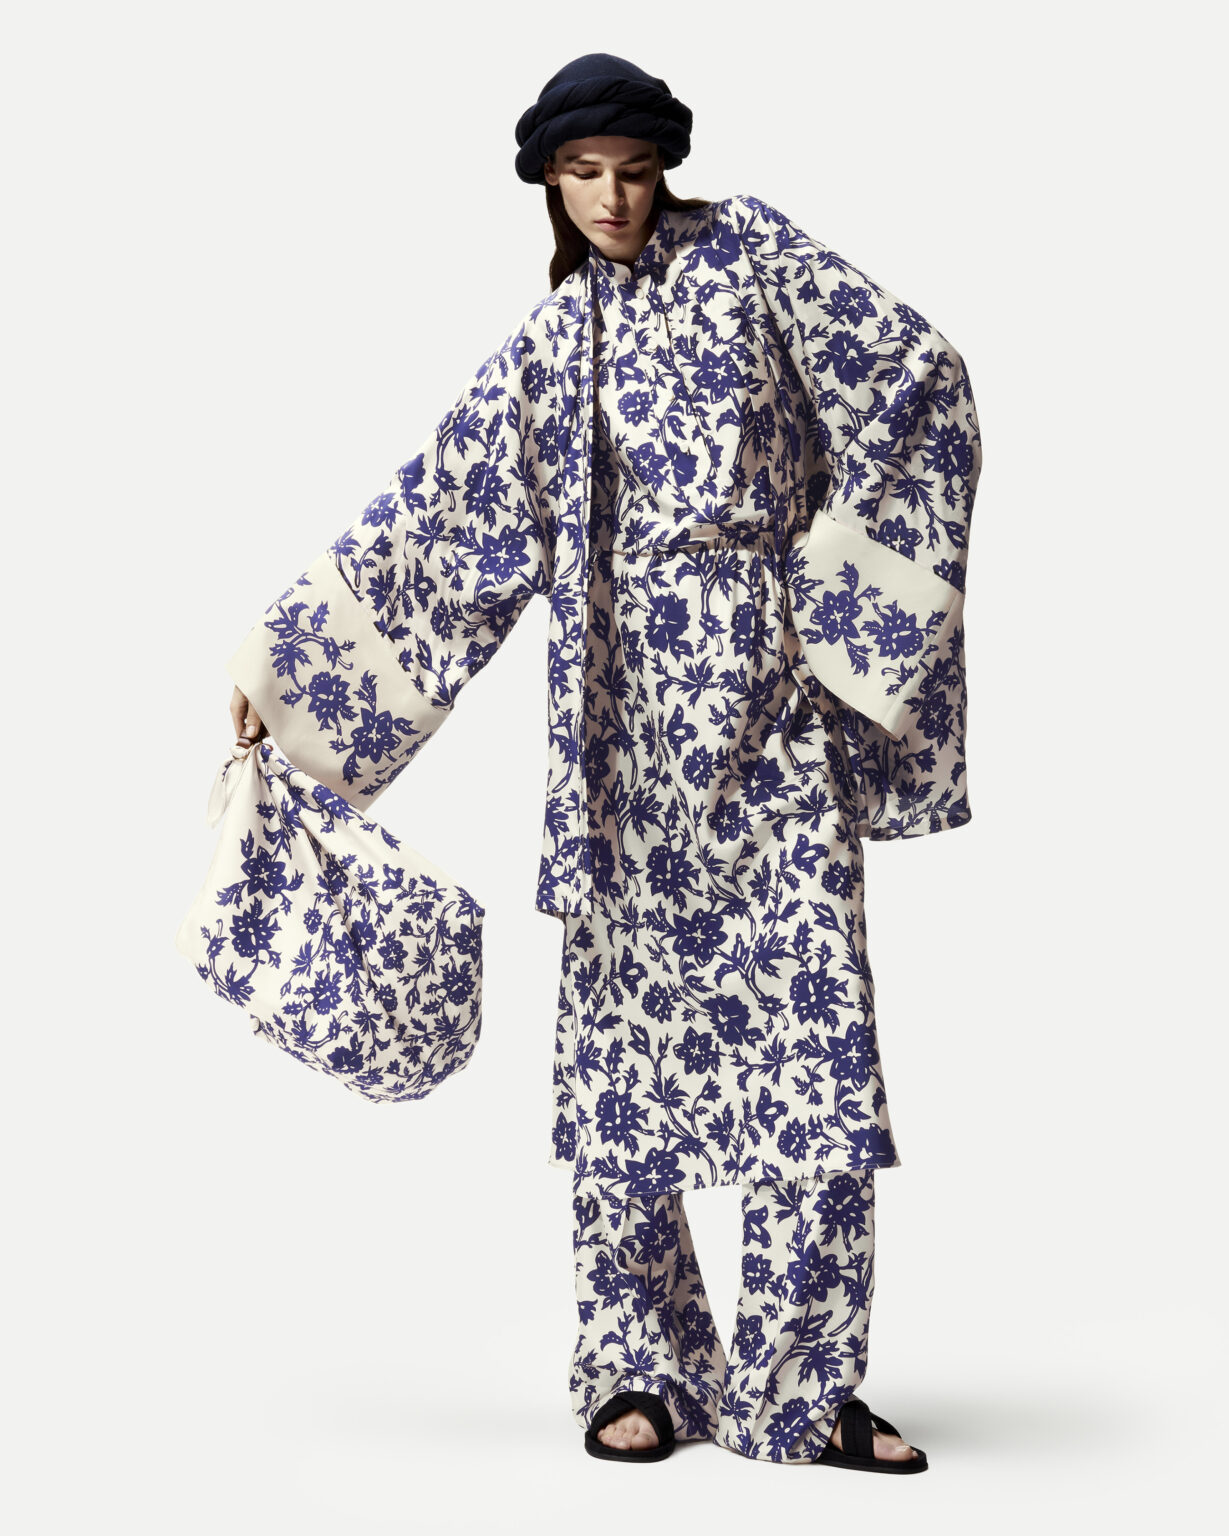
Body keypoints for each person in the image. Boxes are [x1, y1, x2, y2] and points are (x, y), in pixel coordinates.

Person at [228, 53, 981, 1472]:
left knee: (812, 1047)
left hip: (771, 721)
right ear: (550, 186)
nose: (615, 200)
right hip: (618, 743)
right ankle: (640, 1368)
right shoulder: (549, 345)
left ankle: (804, 1388)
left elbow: (918, 378)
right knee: (626, 1064)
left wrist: (839, 609)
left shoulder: (752, 258)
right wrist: (287, 675)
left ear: (664, 169)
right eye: (586, 177)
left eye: (635, 172)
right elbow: (442, 524)